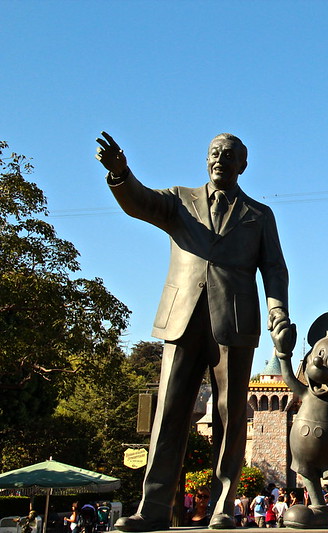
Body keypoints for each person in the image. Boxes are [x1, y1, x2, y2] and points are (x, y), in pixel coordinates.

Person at [96, 132, 291, 532]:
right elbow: (140, 202)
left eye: (230, 155)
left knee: (230, 416)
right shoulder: (179, 201)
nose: (220, 159)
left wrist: (277, 311)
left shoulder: (259, 215)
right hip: (182, 317)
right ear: (206, 161)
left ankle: (223, 507)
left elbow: (274, 268)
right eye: (214, 153)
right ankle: (154, 508)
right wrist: (120, 175)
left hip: (235, 323)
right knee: (168, 412)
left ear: (243, 165)